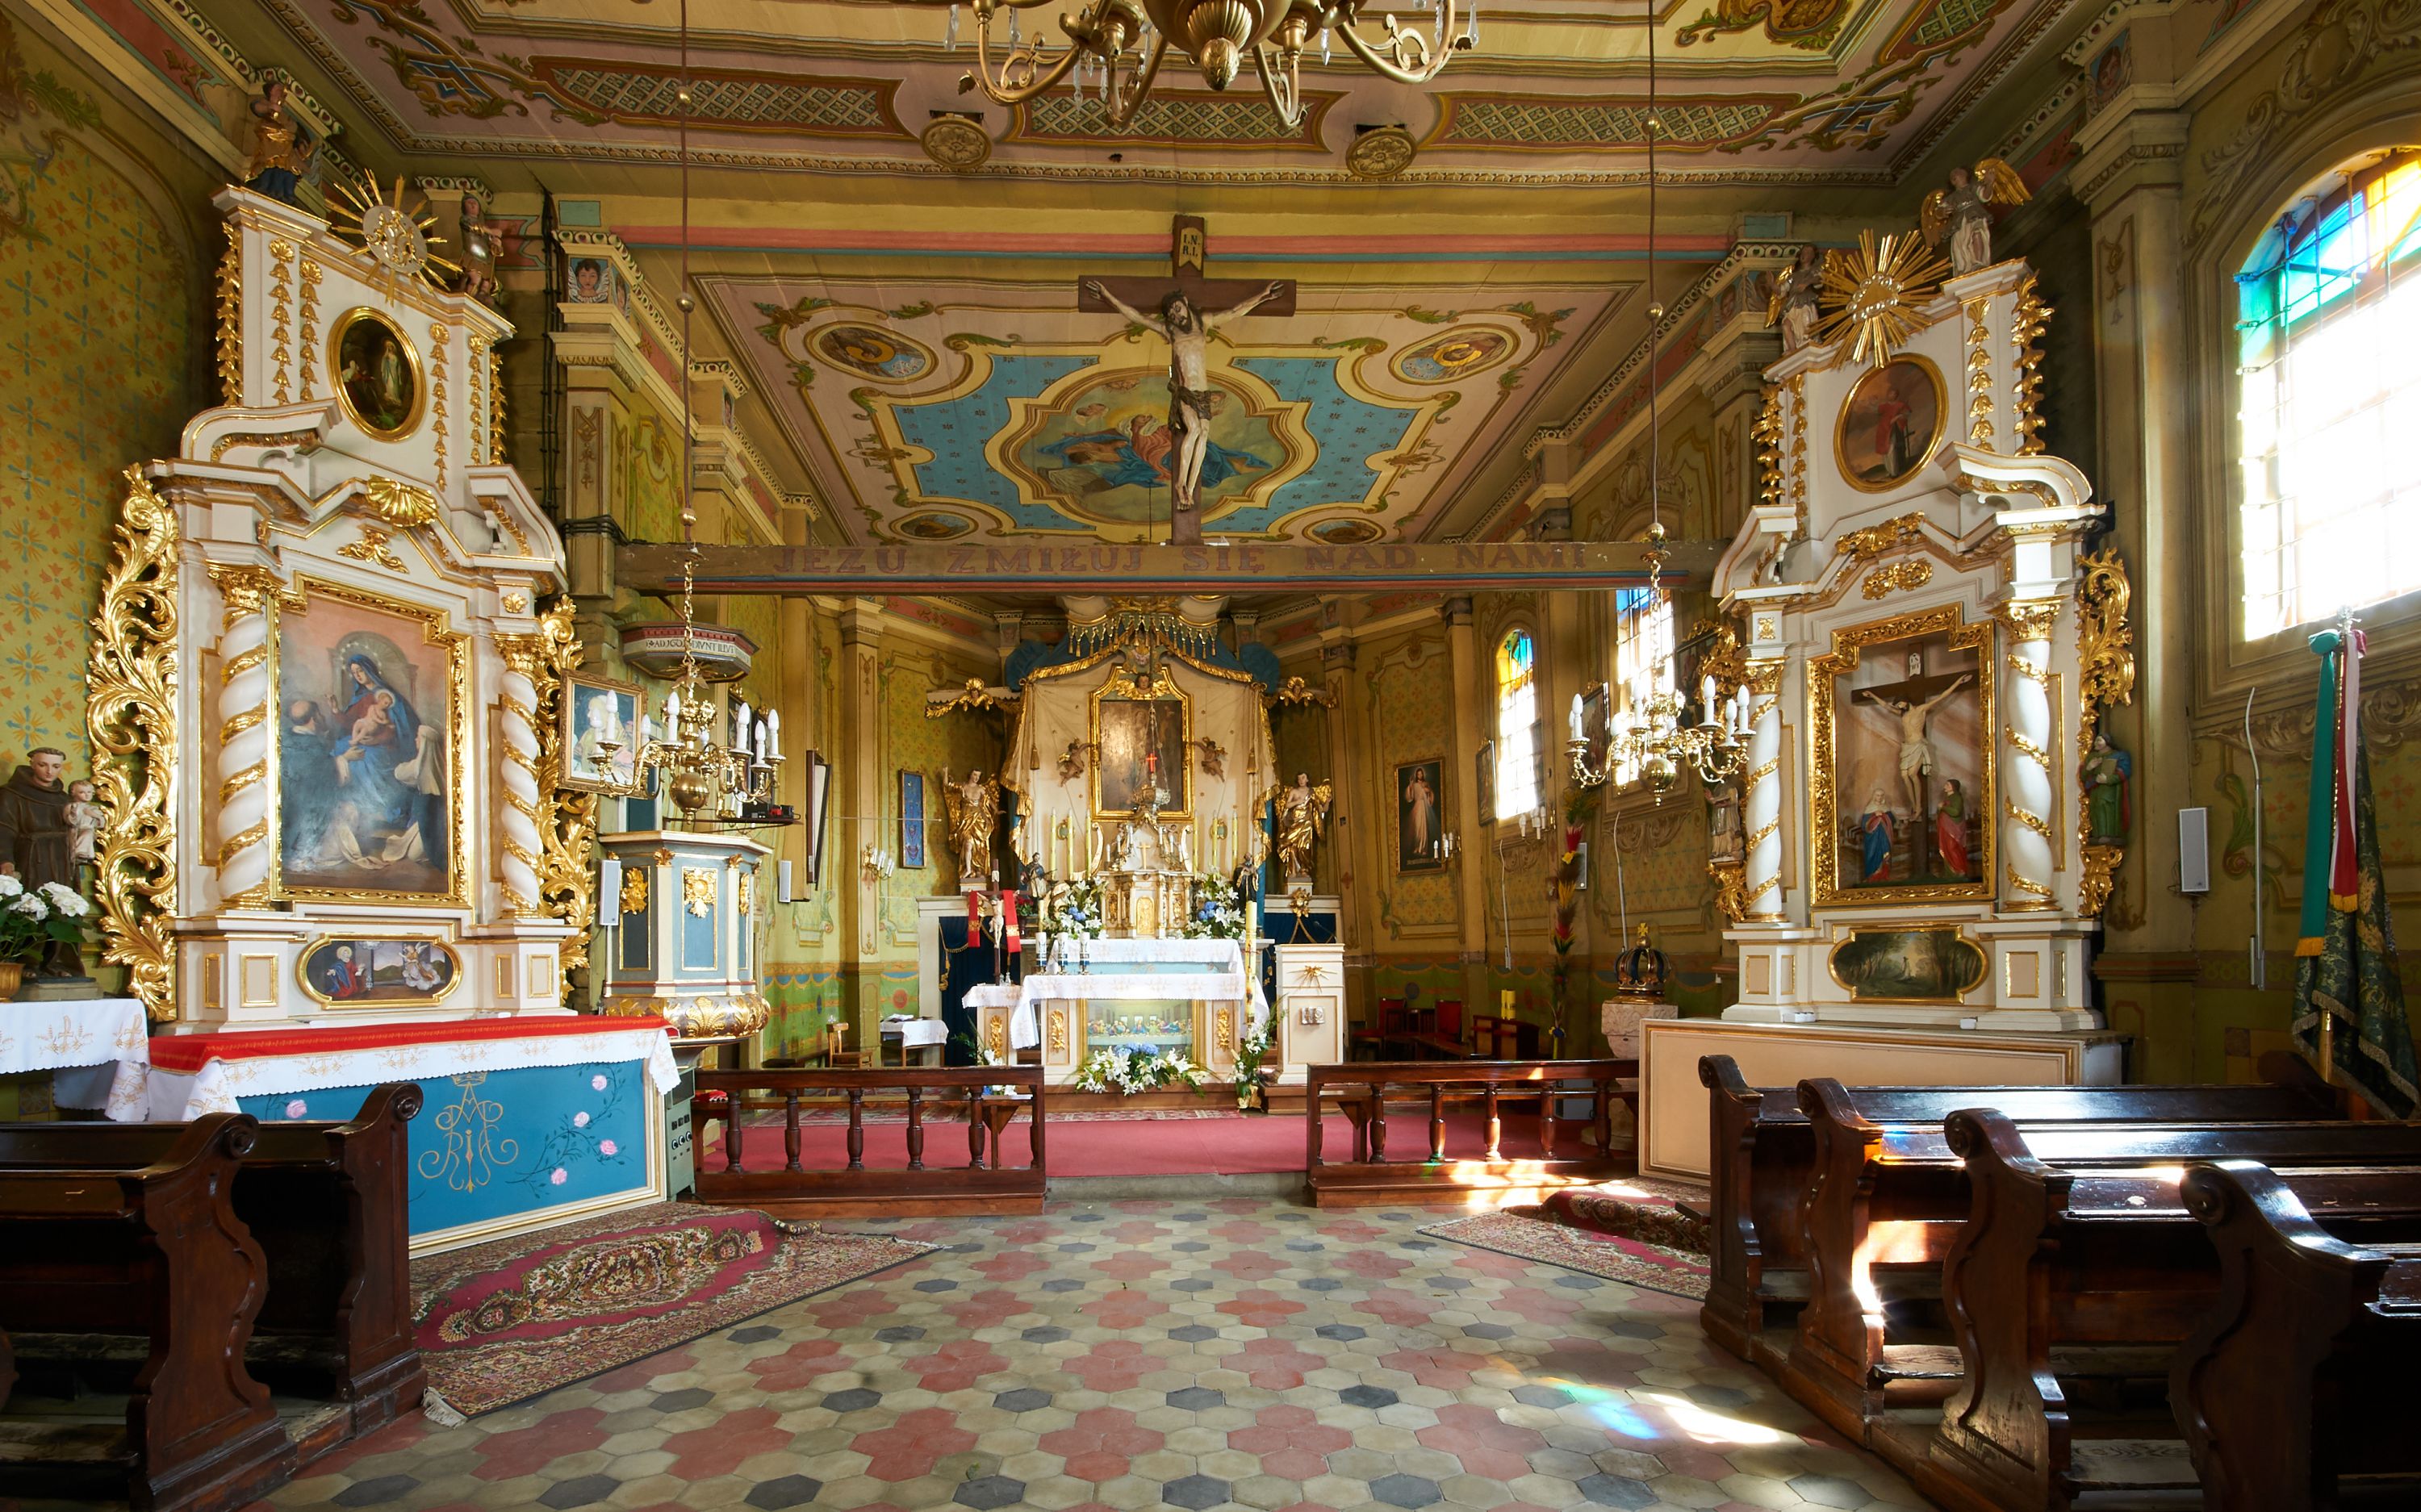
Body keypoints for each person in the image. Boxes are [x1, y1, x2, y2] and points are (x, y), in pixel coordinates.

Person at [1081, 278, 1285, 525]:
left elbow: (1234, 311)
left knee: (1204, 434)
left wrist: (1263, 296)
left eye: (1177, 308)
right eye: (1171, 313)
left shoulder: (1204, 323)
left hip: (1203, 393)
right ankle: (1180, 485)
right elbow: (1137, 317)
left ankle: (1190, 484)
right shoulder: (1169, 331)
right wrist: (1107, 296)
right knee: (1194, 430)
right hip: (1185, 392)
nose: (1176, 315)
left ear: (1185, 303)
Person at [241, 78, 316, 206]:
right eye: (278, 90)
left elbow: (292, 128)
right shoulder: (264, 103)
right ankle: (265, 188)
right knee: (269, 167)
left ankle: (285, 194)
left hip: (286, 147)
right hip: (271, 142)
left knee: (287, 171)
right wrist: (270, 107)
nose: (280, 92)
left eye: (281, 91)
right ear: (270, 91)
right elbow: (256, 107)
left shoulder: (285, 115)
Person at [2080, 731, 2132, 845]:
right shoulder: (2092, 757)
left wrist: (2107, 779)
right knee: (2095, 807)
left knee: (2105, 805)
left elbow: (2124, 772)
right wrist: (2089, 767)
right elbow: (2083, 776)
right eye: (2096, 741)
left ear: (2107, 742)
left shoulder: (2118, 755)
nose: (2096, 743)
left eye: (2099, 740)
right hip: (2095, 788)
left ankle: (2108, 834)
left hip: (2109, 789)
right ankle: (2098, 834)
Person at [1935, 779, 1972, 878]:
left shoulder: (1957, 798)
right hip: (1945, 829)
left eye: (1947, 785)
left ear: (1953, 787)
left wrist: (1943, 807)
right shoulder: (1948, 798)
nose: (1945, 786)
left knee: (1952, 848)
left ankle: (1959, 870)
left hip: (1953, 829)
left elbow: (1956, 812)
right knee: (1946, 849)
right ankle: (1950, 873)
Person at [1859, 787, 1896, 883]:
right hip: (1872, 839)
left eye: (1881, 796)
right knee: (1871, 854)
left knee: (1885, 854)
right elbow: (1864, 825)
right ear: (1874, 797)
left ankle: (1883, 875)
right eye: (1878, 795)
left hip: (1884, 837)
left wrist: (1884, 816)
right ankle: (1871, 876)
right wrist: (1874, 815)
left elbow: (1893, 821)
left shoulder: (1886, 808)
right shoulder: (1869, 809)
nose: (1879, 798)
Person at [1401, 766, 1437, 863]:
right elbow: (1410, 797)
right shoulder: (1415, 785)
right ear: (1416, 775)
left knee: (1423, 827)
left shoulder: (1425, 784)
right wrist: (1410, 785)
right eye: (1418, 774)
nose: (1420, 775)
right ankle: (1417, 847)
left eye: (1421, 774)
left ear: (1423, 775)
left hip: (1423, 807)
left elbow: (1430, 794)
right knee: (1417, 827)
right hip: (1417, 806)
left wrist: (1428, 792)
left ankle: (1423, 848)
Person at [63, 779, 101, 867]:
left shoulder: (94, 809)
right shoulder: (71, 807)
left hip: (89, 830)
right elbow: (69, 821)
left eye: (89, 792)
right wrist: (73, 813)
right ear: (74, 794)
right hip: (75, 831)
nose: (87, 795)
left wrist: (94, 815)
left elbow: (101, 823)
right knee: (85, 834)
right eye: (82, 792)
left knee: (88, 833)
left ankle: (83, 854)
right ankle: (79, 853)